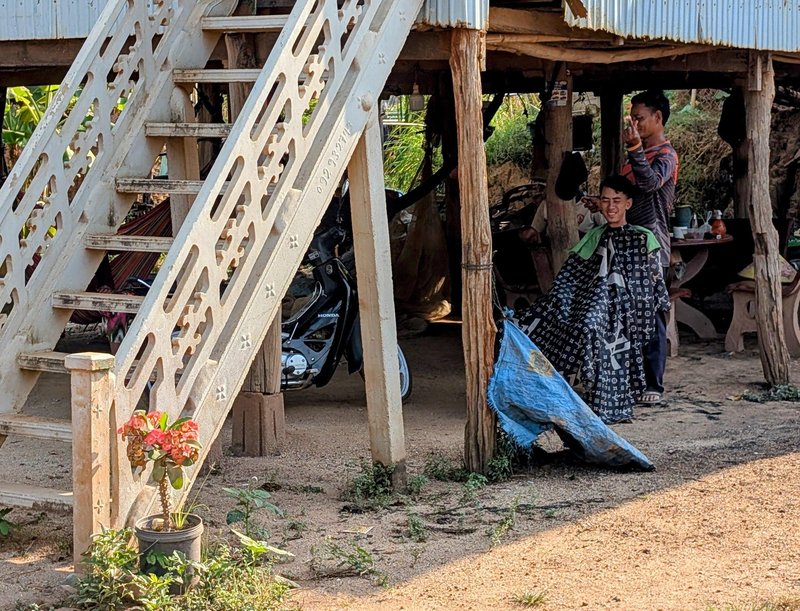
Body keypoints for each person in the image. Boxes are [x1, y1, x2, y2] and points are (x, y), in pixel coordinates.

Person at [516, 175, 670, 424]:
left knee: (654, 314)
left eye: (617, 201)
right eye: (606, 200)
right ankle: (560, 384)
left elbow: (651, 280)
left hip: (637, 301)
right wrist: (562, 299)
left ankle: (653, 384)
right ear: (599, 202)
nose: (611, 207)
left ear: (628, 204)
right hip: (598, 301)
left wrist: (626, 300)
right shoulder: (594, 237)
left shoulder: (643, 237)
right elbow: (572, 277)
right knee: (568, 321)